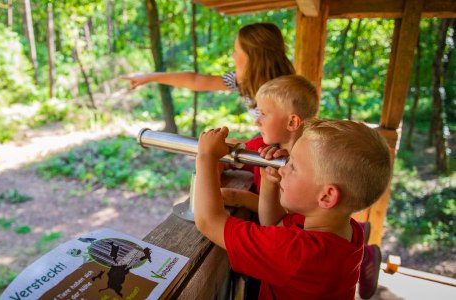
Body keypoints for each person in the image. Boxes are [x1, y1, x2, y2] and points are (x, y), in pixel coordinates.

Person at [219, 75, 382, 299]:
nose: (257, 121)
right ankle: (365, 255)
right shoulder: (275, 151)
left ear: (292, 122)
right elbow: (278, 223)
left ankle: (367, 256)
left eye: (263, 114)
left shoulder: (313, 166)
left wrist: (236, 196)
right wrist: (266, 181)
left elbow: (210, 221)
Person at [194, 118, 392, 299]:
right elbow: (272, 224)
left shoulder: (299, 253)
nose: (283, 169)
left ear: (327, 196)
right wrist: (269, 182)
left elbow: (209, 221)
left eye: (293, 167)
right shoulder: (346, 230)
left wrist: (206, 157)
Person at [122, 22, 295, 121]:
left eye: (236, 51)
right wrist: (150, 77)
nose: (233, 56)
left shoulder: (286, 93)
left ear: (254, 58)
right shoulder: (243, 81)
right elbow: (195, 81)